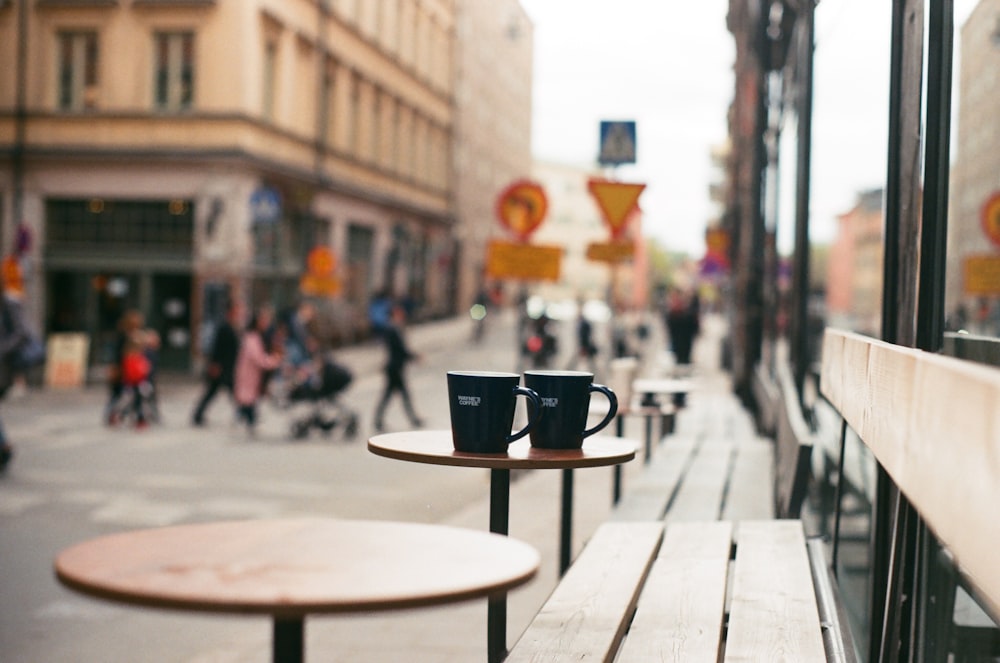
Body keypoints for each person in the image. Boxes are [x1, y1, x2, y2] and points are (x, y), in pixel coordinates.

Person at [191, 299, 243, 427]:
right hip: (222, 367)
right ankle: (198, 415)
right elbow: (217, 348)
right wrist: (214, 365)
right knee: (214, 392)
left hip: (230, 367)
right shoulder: (224, 328)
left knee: (231, 393)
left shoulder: (234, 327)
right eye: (237, 311)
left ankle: (243, 414)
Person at [373, 304, 423, 433]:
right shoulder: (392, 329)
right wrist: (415, 357)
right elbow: (400, 349)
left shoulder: (393, 328)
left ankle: (379, 420)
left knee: (390, 395)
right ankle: (413, 419)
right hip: (394, 368)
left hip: (394, 367)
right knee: (397, 395)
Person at [233, 304, 283, 436]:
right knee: (247, 398)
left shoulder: (260, 336)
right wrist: (273, 361)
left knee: (250, 398)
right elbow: (258, 358)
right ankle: (248, 420)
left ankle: (247, 419)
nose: (265, 323)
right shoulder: (252, 337)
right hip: (248, 373)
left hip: (253, 374)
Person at [0, 280, 32, 471]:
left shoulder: (9, 303)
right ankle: (4, 446)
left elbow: (22, 333)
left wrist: (2, 350)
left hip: (2, 367)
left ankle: (4, 446)